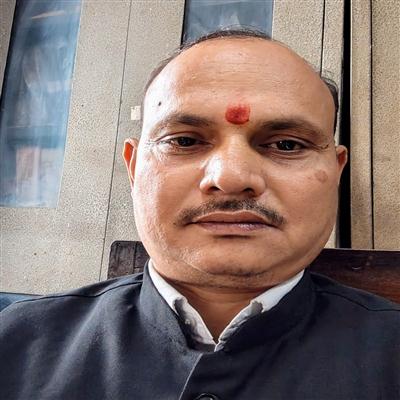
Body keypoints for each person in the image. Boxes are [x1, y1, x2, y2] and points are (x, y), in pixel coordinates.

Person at [0, 29, 399, 400]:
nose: (231, 177)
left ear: (336, 172)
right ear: (134, 169)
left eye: (287, 145)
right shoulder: (15, 343)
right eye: (185, 140)